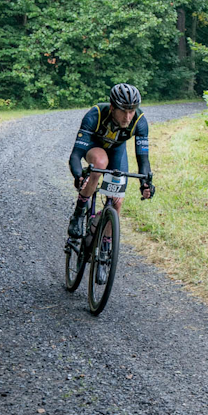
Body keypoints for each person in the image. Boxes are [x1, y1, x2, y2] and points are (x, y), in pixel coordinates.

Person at [67, 83, 154, 283]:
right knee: (100, 163)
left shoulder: (140, 121)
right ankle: (80, 211)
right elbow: (75, 155)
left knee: (117, 202)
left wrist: (146, 183)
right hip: (94, 147)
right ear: (113, 108)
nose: (128, 117)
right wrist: (79, 175)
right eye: (123, 111)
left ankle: (105, 246)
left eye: (131, 111)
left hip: (117, 151)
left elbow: (143, 159)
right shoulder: (95, 114)